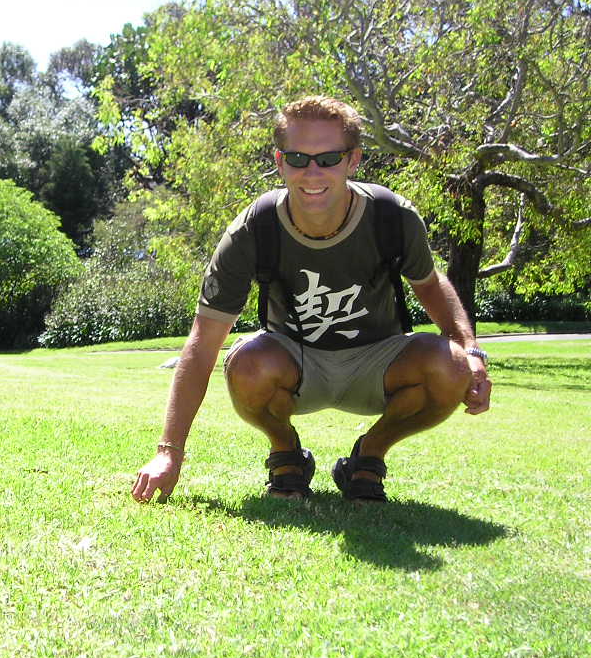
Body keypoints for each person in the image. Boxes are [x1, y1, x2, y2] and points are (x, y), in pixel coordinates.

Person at [132, 96, 492, 504]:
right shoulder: (254, 228)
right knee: (247, 364)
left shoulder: (392, 216)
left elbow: (429, 284)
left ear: (353, 160)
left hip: (378, 360)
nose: (312, 172)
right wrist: (169, 452)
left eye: (329, 158)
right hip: (295, 361)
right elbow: (203, 342)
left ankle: (369, 456)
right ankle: (286, 453)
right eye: (298, 158)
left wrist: (471, 349)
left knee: (451, 365)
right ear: (280, 162)